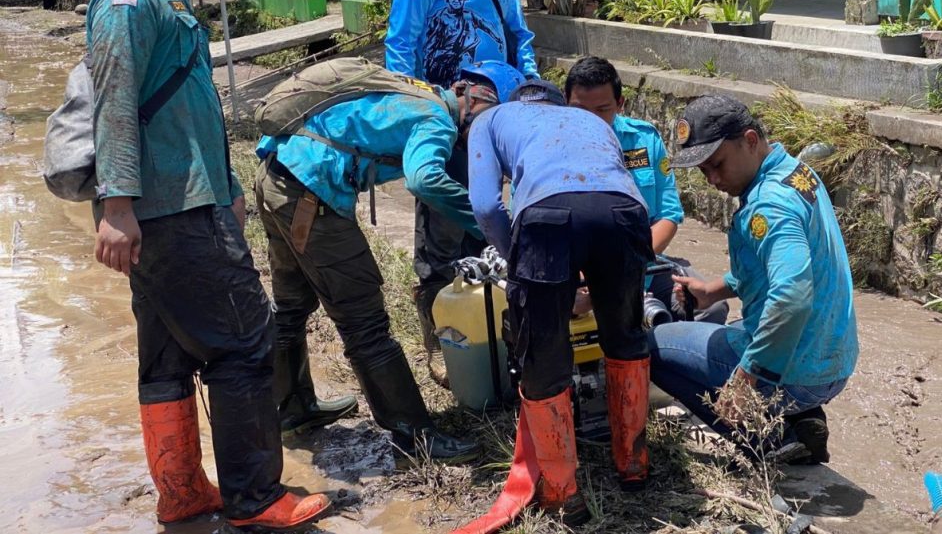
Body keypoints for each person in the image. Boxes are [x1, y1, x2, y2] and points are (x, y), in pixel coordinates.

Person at [88, 0, 330, 530]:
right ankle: (256, 497)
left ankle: (184, 491)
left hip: (179, 204)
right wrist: (114, 207)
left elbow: (185, 113)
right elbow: (113, 101)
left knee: (166, 353)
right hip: (171, 212)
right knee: (246, 340)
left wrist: (227, 190)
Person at [254, 61, 524, 462]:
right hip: (310, 196)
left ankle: (291, 410)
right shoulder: (438, 119)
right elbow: (424, 179)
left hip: (277, 177)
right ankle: (415, 435)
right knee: (365, 322)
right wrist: (488, 222)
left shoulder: (418, 93)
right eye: (496, 118)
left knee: (292, 306)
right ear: (478, 98)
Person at [458, 80, 653, 533]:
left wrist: (516, 257)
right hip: (625, 213)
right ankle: (635, 467)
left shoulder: (491, 118)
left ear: (518, 101)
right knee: (625, 336)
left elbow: (486, 204)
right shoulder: (589, 119)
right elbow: (601, 192)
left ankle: (564, 495)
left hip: (546, 218)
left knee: (543, 356)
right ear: (555, 102)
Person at [384, 0, 539, 376]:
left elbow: (519, 38)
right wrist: (416, 116)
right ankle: (443, 346)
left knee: (491, 230)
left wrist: (534, 93)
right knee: (443, 237)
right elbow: (401, 47)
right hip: (447, 122)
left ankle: (492, 341)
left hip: (496, 125)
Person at [649, 94, 859, 464]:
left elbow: (791, 298)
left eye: (717, 164)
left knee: (653, 346)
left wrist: (747, 376)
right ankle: (802, 418)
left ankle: (767, 437)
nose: (713, 179)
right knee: (731, 326)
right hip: (832, 362)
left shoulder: (769, 204)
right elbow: (776, 267)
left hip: (797, 371)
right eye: (703, 171)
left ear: (749, 140)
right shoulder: (794, 171)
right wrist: (713, 289)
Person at [564, 56, 728, 325]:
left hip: (644, 267)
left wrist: (628, 263)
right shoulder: (549, 147)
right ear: (565, 103)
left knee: (710, 308)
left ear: (620, 104)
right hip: (578, 274)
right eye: (580, 110)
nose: (590, 121)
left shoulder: (643, 139)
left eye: (602, 110)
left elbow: (668, 213)